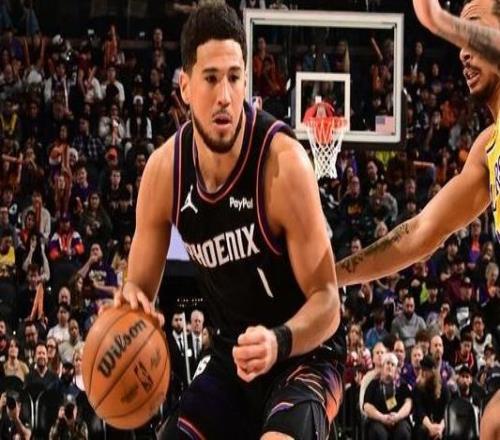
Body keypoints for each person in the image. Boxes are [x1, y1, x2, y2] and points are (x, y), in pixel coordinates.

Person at [114, 3, 344, 439]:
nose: (224, 95)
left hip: (305, 356)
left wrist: (279, 340)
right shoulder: (164, 173)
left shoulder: (284, 164)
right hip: (232, 356)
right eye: (211, 78)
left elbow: (329, 303)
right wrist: (130, 303)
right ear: (185, 86)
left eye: (235, 78)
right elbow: (137, 290)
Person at [338, 1, 500, 437]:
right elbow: (418, 234)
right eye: (459, 37)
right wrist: (330, 276)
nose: (462, 50)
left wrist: (441, 22)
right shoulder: (488, 149)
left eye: (473, 31)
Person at [363, 352, 412, 440]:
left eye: (393, 365)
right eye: (388, 363)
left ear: (396, 369)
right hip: (379, 420)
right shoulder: (373, 384)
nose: (390, 366)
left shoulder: (402, 385)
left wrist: (397, 416)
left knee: (403, 431)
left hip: (398, 420)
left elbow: (408, 403)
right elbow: (366, 406)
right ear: (382, 367)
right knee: (378, 433)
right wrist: (382, 418)